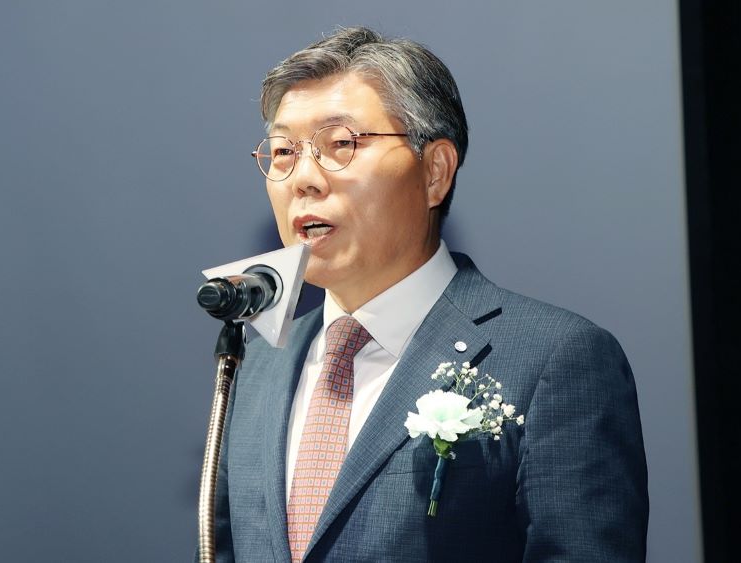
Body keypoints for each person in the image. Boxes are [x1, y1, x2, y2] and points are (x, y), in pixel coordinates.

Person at [210, 26, 648, 562]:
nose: (303, 179)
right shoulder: (255, 363)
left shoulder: (554, 360)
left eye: (340, 144)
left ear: (435, 171)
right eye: (283, 152)